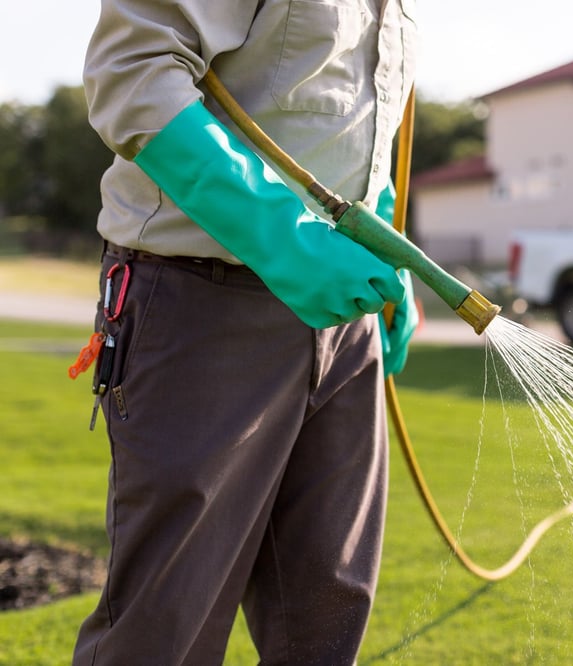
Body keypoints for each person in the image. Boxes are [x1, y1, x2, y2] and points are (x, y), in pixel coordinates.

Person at [73, 1, 419, 663]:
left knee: (324, 616)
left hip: (343, 325)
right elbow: (132, 71)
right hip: (201, 298)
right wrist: (285, 239)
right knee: (166, 625)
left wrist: (382, 247)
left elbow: (346, 119)